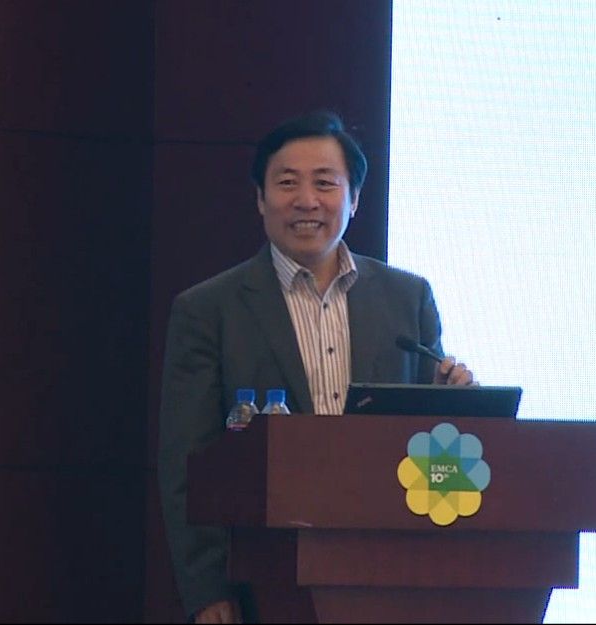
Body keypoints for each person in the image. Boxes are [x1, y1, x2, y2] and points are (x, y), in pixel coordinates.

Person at [157, 110, 475, 624]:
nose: (306, 200)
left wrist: (454, 406)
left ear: (354, 198)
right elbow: (187, 462)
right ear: (260, 199)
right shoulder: (209, 310)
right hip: (264, 577)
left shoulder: (407, 298)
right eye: (287, 183)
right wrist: (207, 589)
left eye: (325, 183)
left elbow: (425, 447)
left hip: (387, 574)